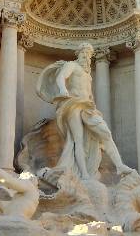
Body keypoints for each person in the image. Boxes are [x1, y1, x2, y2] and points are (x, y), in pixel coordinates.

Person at [37, 43, 133, 180]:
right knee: (78, 140)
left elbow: (89, 94)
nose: (87, 56)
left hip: (87, 106)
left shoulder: (88, 75)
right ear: (79, 53)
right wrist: (63, 89)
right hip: (73, 104)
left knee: (105, 133)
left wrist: (93, 106)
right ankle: (84, 174)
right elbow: (61, 77)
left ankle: (119, 166)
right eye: (84, 53)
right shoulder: (72, 65)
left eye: (89, 54)